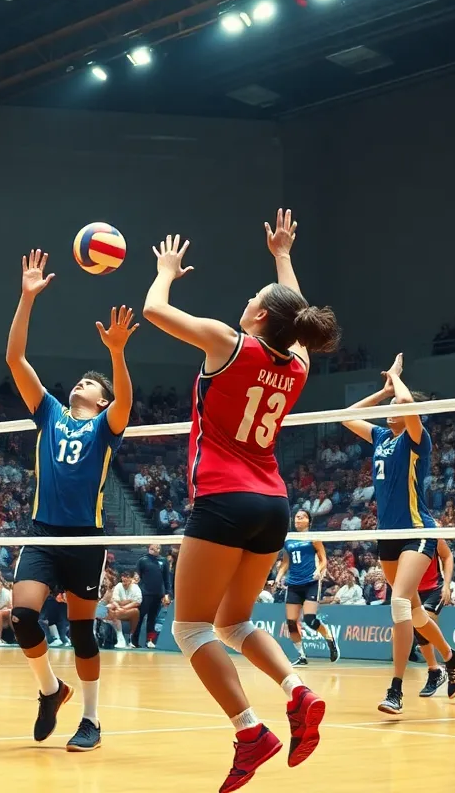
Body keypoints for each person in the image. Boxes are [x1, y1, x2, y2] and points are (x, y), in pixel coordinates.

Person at [142, 211, 334, 791]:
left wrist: (165, 270)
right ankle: (297, 689)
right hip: (273, 502)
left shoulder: (228, 342)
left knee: (190, 628)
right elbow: (295, 318)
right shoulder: (297, 366)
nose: (247, 300)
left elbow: (153, 310)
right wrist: (282, 256)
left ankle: (250, 731)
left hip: (225, 498)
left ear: (259, 316)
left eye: (254, 297)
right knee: (235, 621)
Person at [5, 248, 137, 753]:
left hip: (85, 538)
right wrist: (27, 298)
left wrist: (117, 353)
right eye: (79, 380)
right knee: (22, 617)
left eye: (90, 384)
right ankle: (50, 690)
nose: (80, 383)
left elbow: (125, 402)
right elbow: (16, 359)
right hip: (43, 531)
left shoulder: (106, 425)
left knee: (83, 632)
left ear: (101, 400)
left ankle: (91, 720)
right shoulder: (49, 413)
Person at [341, 353, 455, 715]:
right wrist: (384, 392)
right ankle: (452, 657)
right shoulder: (381, 435)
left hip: (417, 530)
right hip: (388, 534)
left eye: (396, 405)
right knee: (413, 611)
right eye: (390, 405)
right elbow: (345, 416)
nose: (391, 409)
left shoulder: (417, 439)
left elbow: (408, 401)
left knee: (398, 603)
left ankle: (395, 689)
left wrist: (397, 376)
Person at [277, 510, 340, 667]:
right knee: (291, 623)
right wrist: (279, 576)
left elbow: (323, 559)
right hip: (293, 584)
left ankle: (329, 637)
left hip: (310, 582)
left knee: (310, 620)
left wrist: (318, 570)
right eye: (297, 517)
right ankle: (302, 656)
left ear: (309, 521)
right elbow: (286, 562)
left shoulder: (313, 537)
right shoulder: (289, 539)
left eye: (302, 517)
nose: (298, 519)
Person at [410, 538, 454, 698]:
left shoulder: (431, 532)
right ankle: (436, 670)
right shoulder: (402, 535)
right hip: (413, 591)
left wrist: (447, 585)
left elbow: (447, 556)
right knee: (419, 629)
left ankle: (448, 661)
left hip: (435, 588)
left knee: (422, 620)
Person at [133, 543, 171, 649]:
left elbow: (166, 579)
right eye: (154, 547)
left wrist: (167, 593)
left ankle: (150, 640)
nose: (156, 549)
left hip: (158, 594)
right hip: (145, 594)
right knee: (140, 617)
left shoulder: (163, 561)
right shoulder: (143, 560)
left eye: (158, 547)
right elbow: (137, 576)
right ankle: (134, 641)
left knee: (153, 618)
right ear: (149, 547)